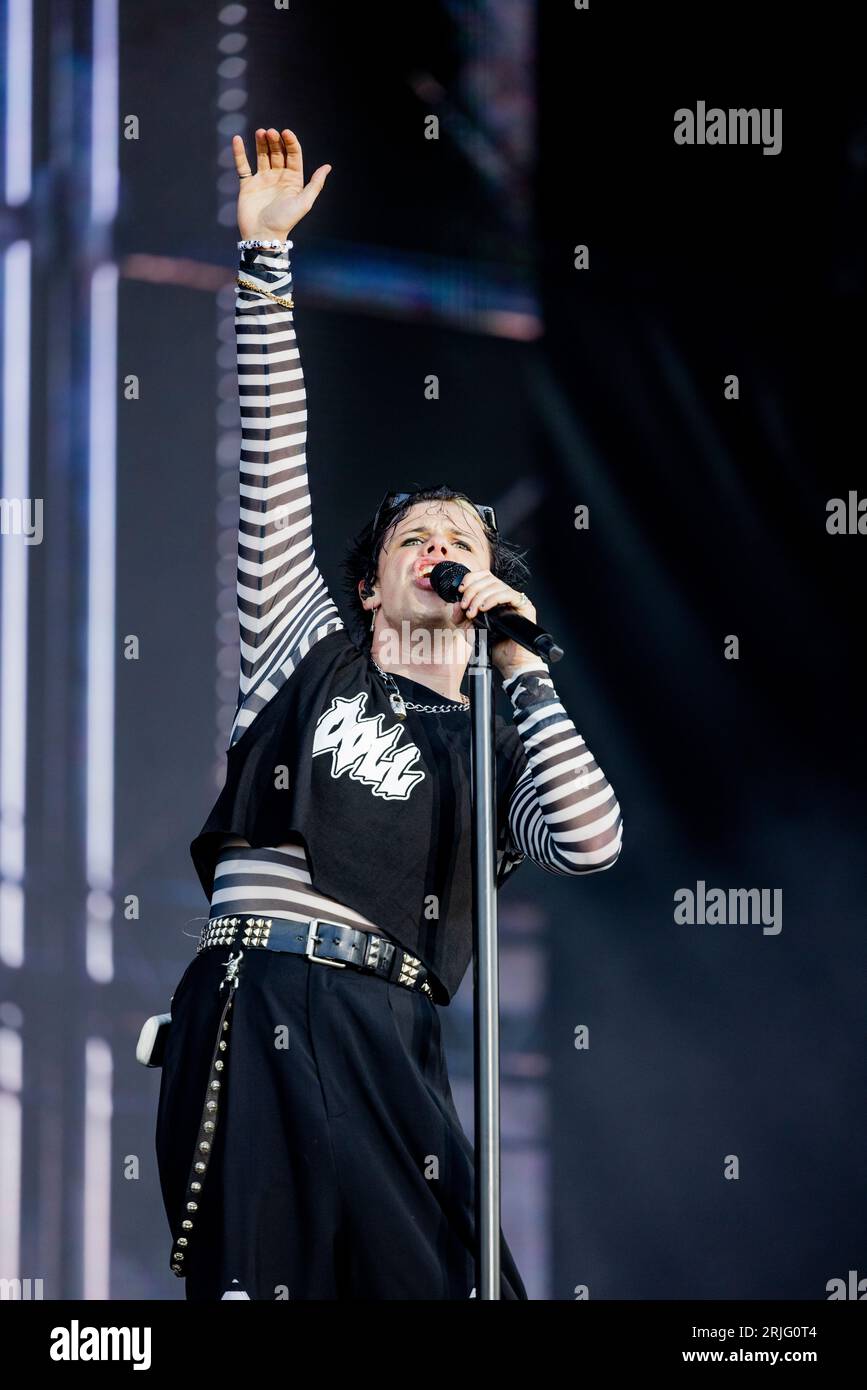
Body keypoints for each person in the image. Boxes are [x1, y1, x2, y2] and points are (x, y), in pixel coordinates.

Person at [154, 127, 624, 1301]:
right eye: (418, 534)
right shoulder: (300, 651)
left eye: (463, 538)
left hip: (392, 1032)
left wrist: (523, 662)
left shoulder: (488, 747)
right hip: (259, 995)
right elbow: (272, 460)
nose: (440, 547)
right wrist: (266, 266)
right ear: (372, 580)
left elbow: (594, 837)